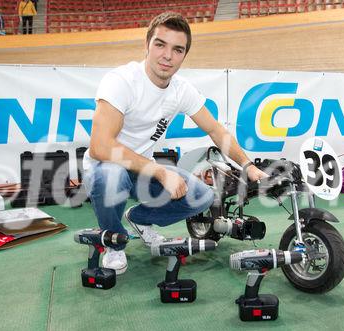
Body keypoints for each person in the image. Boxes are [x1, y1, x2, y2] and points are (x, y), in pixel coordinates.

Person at [83, 12, 268, 275]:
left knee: (202, 196)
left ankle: (138, 219)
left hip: (140, 169)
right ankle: (115, 242)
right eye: (160, 44)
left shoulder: (181, 89)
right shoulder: (122, 81)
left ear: (184, 55)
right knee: (111, 177)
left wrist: (248, 165)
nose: (167, 55)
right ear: (146, 45)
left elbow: (215, 130)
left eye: (177, 49)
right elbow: (100, 147)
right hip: (105, 166)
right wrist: (160, 171)